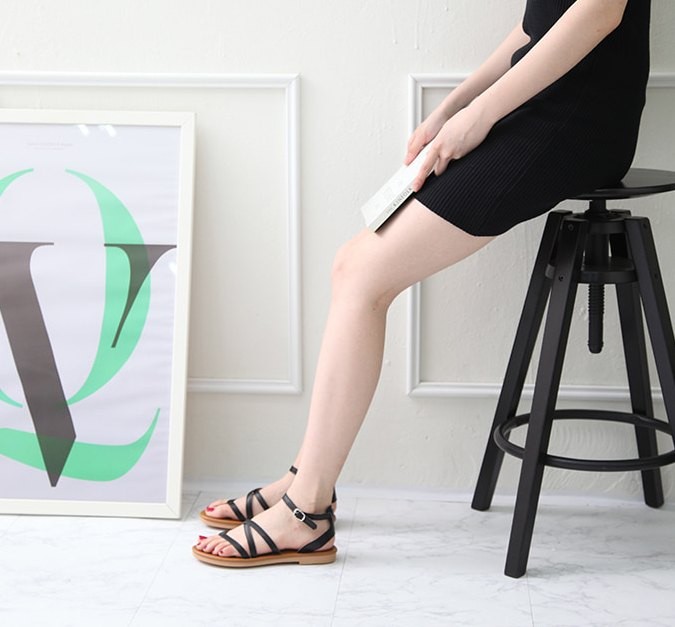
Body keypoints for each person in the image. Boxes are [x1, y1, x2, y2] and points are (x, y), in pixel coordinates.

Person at [193, 0, 650, 567]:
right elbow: (537, 23)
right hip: (536, 101)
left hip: (575, 115)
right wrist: (454, 107)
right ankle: (304, 480)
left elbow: (599, 13)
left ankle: (306, 511)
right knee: (352, 267)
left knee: (361, 274)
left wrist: (480, 115)